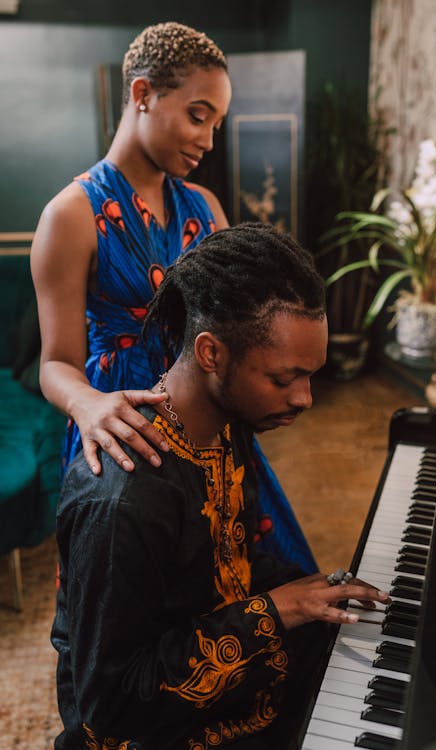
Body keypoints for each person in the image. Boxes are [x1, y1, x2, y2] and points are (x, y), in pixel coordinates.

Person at [51, 223, 390, 750]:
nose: (305, 399)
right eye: (284, 379)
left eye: (310, 376)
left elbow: (226, 565)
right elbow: (112, 705)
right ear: (211, 354)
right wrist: (279, 610)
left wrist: (313, 593)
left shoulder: (223, 429)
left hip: (222, 680)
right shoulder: (122, 501)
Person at [31, 21, 316, 573]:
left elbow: (238, 325)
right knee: (134, 610)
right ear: (143, 94)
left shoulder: (206, 208)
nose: (209, 140)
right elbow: (55, 365)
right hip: (121, 432)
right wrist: (89, 404)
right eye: (197, 115)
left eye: (217, 123)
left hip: (208, 427)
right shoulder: (69, 215)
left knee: (240, 581)